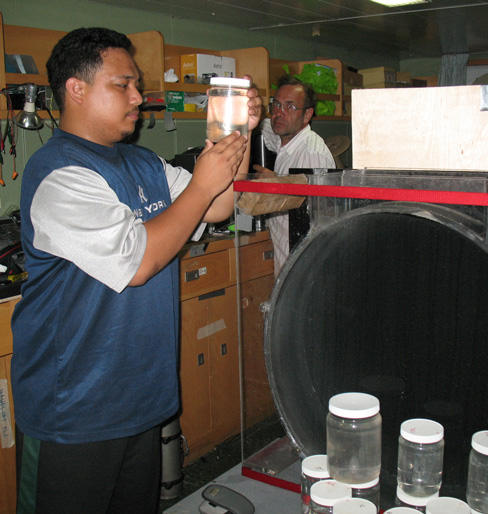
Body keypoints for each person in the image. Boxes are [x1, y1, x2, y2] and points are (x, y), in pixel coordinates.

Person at [10, 27, 261, 514]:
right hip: (74, 412)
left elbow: (219, 204)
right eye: (122, 84)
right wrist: (199, 187)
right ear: (76, 89)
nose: (138, 96)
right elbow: (141, 260)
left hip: (141, 399)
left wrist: (238, 134)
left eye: (137, 84)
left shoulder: (142, 162)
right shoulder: (58, 172)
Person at [253, 75, 335, 276]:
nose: (279, 113)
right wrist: (249, 113)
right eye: (276, 105)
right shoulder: (286, 140)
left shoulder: (311, 152)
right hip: (288, 262)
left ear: (307, 115)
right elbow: (267, 128)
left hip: (308, 268)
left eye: (290, 107)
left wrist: (276, 186)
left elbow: (318, 213)